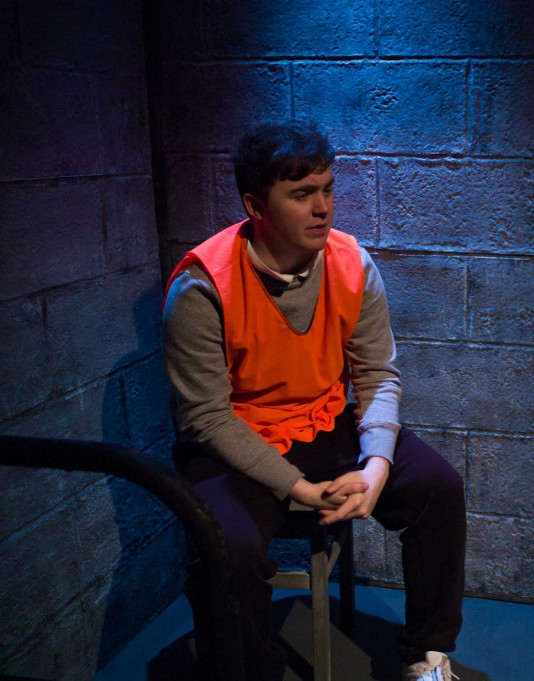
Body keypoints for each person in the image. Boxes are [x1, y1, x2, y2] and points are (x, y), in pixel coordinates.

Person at [162, 120, 466, 681]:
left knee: (438, 487)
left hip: (324, 423)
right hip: (237, 443)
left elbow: (377, 375)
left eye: (326, 189)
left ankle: (426, 654)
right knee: (225, 548)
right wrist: (301, 489)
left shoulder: (352, 263)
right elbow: (205, 417)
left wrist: (376, 468)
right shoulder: (202, 286)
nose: (322, 207)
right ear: (255, 205)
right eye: (302, 194)